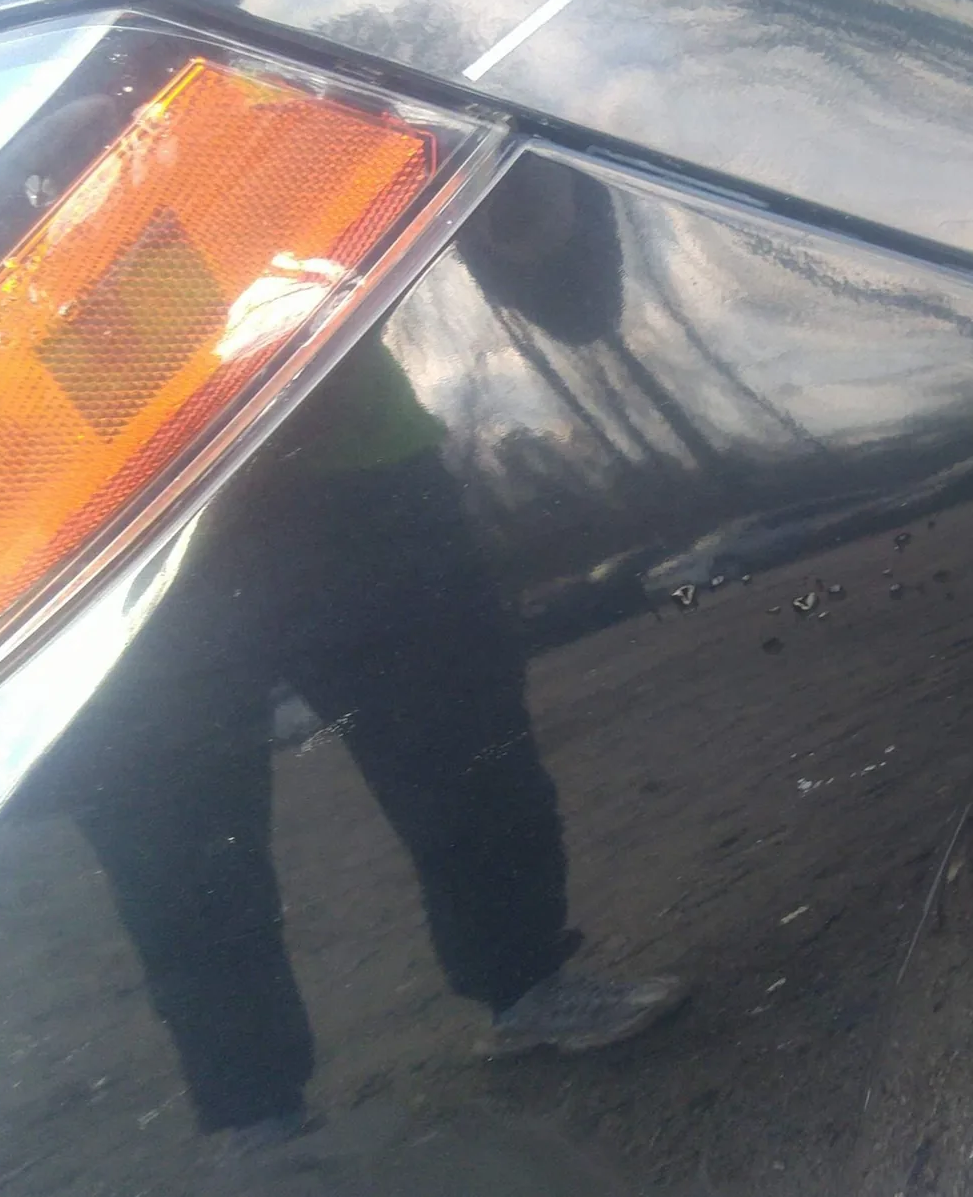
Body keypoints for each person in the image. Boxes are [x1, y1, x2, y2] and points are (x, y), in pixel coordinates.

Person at [63, 316, 682, 1150]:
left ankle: (527, 981)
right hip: (114, 514)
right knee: (173, 830)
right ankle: (258, 1113)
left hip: (343, 456)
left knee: (467, 743)